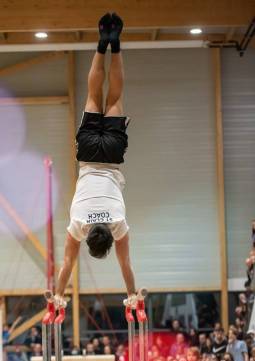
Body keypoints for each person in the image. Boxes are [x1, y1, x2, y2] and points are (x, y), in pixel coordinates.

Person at [50, 13, 137, 309]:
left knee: (113, 96)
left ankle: (114, 44)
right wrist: (58, 295)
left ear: (109, 240)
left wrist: (133, 293)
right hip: (88, 155)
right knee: (92, 95)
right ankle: (101, 44)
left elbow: (127, 267)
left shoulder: (118, 224)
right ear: (89, 238)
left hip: (111, 155)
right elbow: (66, 264)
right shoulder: (78, 225)